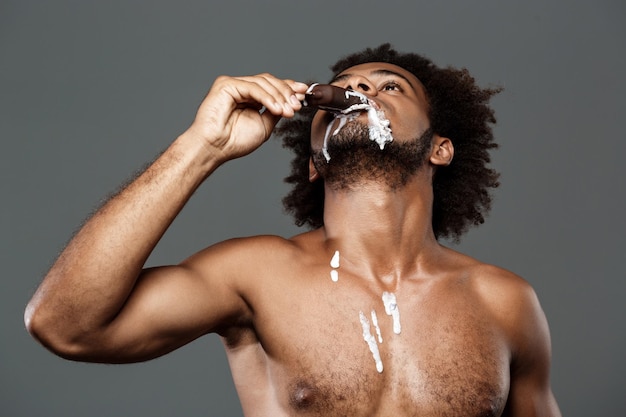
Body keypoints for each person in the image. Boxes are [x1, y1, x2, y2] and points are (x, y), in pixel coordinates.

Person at [24, 44, 561, 416]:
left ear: (440, 148)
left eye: (388, 86)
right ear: (313, 161)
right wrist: (202, 147)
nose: (358, 92)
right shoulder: (258, 274)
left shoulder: (505, 302)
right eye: (346, 86)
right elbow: (65, 325)